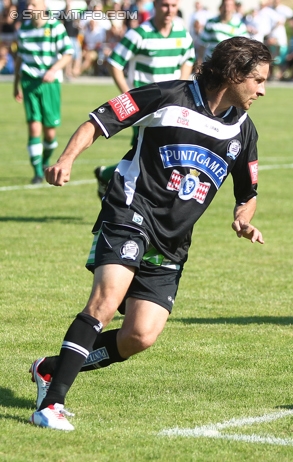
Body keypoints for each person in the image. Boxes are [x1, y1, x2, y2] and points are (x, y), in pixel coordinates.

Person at [29, 36, 271, 431]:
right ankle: (51, 406)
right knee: (105, 302)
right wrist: (67, 159)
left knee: (139, 336)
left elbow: (249, 193)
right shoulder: (167, 95)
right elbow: (100, 119)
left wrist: (243, 218)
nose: (262, 90)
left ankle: (50, 370)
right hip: (130, 210)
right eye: (257, 80)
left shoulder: (244, 131)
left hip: (173, 241)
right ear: (233, 74)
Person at [94, 0, 195, 198]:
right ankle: (120, 187)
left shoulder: (182, 33)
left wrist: (181, 89)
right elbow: (114, 63)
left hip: (172, 107)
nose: (169, 10)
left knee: (154, 155)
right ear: (155, 6)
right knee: (146, 155)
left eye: (173, 6)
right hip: (146, 107)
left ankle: (107, 175)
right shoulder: (139, 34)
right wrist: (130, 98)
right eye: (165, 5)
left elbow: (188, 59)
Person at [14, 0, 73, 185]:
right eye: (28, 6)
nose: (29, 9)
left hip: (50, 84)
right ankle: (37, 173)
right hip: (29, 82)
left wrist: (53, 70)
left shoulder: (55, 27)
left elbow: (68, 53)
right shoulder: (23, 29)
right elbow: (19, 58)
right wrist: (15, 84)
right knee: (33, 127)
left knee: (49, 133)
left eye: (33, 5)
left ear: (43, 8)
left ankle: (45, 161)